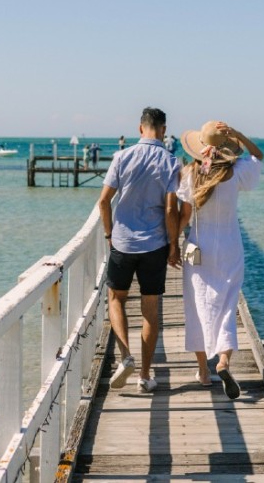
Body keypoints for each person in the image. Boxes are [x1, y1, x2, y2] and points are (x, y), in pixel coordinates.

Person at [176, 120, 263, 399]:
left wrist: (171, 246)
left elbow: (184, 215)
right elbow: (258, 155)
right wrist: (238, 134)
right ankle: (223, 362)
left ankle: (203, 371)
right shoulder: (236, 172)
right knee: (227, 305)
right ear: (226, 148)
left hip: (199, 247)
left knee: (197, 304)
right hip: (229, 246)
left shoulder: (191, 174)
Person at [97, 107, 182, 393]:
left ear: (140, 128)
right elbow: (171, 209)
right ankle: (144, 376)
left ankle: (125, 357)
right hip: (155, 244)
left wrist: (110, 234)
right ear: (164, 129)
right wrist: (174, 245)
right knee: (150, 309)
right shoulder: (172, 161)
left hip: (122, 242)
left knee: (116, 299)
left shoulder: (122, 157)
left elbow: (103, 201)